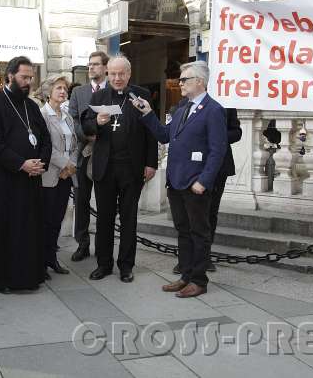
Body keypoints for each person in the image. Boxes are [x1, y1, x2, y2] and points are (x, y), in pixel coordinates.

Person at [133, 61, 227, 298]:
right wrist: (148, 113)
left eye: (184, 79)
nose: (180, 83)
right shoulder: (182, 107)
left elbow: (218, 150)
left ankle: (199, 280)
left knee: (199, 232)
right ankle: (186, 275)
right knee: (183, 231)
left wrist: (204, 181)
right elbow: (165, 135)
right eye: (181, 79)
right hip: (176, 181)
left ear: (200, 82)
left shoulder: (213, 110)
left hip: (196, 183)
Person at [82, 55, 157, 283]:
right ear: (107, 74)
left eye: (121, 73)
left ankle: (126, 266)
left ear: (129, 74)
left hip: (131, 168)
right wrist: (98, 123)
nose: (116, 78)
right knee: (104, 218)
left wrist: (151, 163)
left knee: (128, 219)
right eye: (112, 74)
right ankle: (103, 264)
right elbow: (85, 124)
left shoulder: (141, 95)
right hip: (105, 167)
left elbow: (150, 130)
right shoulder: (99, 96)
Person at [0, 56, 51, 293]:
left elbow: (44, 139)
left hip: (32, 179)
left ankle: (29, 277)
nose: (28, 82)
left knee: (29, 228)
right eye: (24, 77)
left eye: (31, 77)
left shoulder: (31, 106)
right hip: (8, 180)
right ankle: (2, 280)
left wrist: (40, 163)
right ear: (10, 76)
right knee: (7, 228)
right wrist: (22, 164)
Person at [173, 106, 241, 274]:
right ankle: (185, 260)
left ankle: (204, 258)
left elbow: (237, 132)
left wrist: (214, 133)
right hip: (190, 168)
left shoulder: (225, 104)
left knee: (209, 213)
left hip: (218, 167)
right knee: (186, 216)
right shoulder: (183, 105)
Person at [69, 51, 108, 262]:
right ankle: (82, 244)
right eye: (89, 64)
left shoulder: (113, 91)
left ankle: (103, 246)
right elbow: (72, 119)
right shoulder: (79, 92)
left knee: (104, 202)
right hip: (84, 154)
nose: (91, 68)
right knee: (81, 200)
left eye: (95, 64)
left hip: (107, 155)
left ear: (105, 68)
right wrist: (88, 135)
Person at [40, 74, 77, 278]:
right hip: (50, 176)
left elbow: (74, 144)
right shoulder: (42, 115)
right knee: (45, 220)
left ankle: (52, 258)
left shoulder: (67, 116)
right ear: (48, 92)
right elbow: (46, 147)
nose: (63, 91)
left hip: (67, 175)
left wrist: (71, 166)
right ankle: (41, 262)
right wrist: (65, 164)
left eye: (65, 88)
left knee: (57, 219)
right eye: (58, 88)